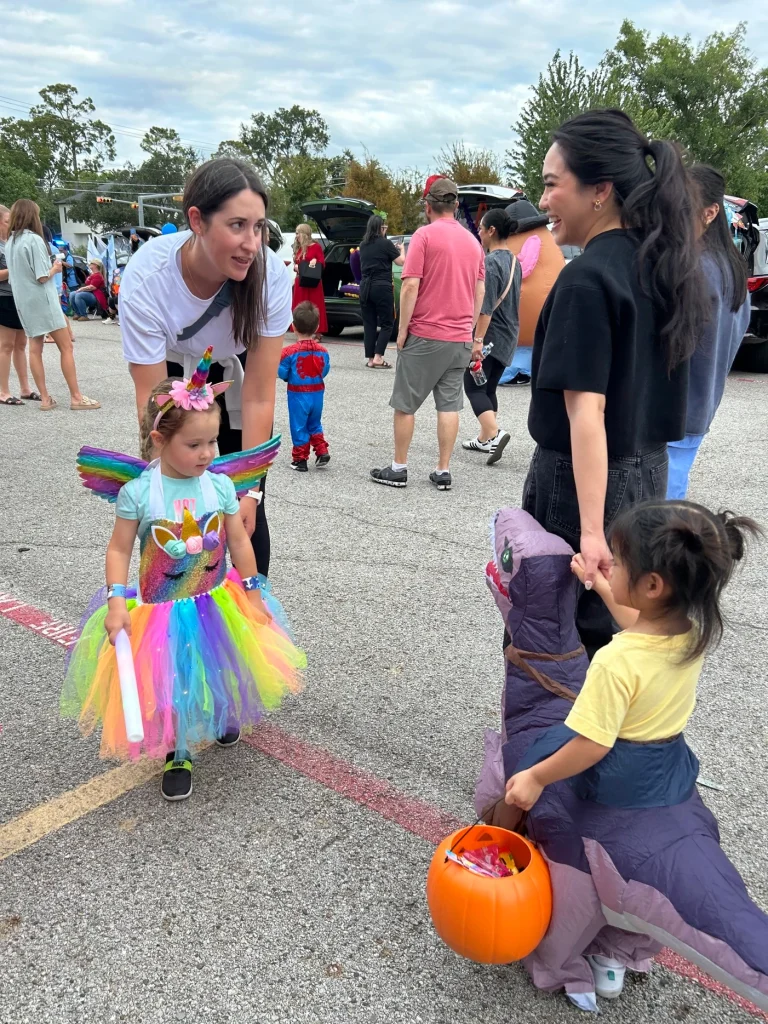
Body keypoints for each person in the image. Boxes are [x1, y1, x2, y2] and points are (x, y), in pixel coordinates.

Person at [62, 351, 305, 801]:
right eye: (195, 445)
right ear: (159, 439)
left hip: (215, 598)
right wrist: (117, 601)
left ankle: (222, 715)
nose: (209, 453)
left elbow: (238, 541)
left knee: (223, 661)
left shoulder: (218, 484)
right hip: (161, 607)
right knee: (173, 679)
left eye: (213, 442)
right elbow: (118, 548)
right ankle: (178, 749)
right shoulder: (139, 492)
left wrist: (253, 591)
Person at [523, 109, 707, 657]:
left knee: (552, 638)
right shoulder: (664, 268)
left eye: (552, 184)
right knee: (619, 641)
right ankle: (611, 742)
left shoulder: (586, 278)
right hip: (648, 476)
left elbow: (586, 416)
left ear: (599, 189)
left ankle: (557, 745)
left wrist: (591, 531)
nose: (543, 200)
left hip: (580, 485)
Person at [120, 156, 292, 580]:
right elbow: (151, 399)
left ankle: (251, 619)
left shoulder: (270, 276)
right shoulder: (147, 277)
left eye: (259, 227)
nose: (252, 243)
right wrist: (161, 479)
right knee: (178, 509)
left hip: (233, 370)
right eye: (237, 226)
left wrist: (250, 489)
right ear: (196, 220)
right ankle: (174, 618)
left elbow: (258, 395)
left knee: (245, 515)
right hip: (174, 374)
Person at [370, 176, 485, 491]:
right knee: (449, 405)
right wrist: (469, 329)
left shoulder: (423, 237)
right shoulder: (473, 243)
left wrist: (403, 331)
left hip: (426, 333)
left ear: (428, 205)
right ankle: (443, 470)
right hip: (460, 337)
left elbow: (409, 285)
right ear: (456, 205)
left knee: (406, 404)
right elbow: (480, 289)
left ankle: (399, 467)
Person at [667, 165, 750, 499]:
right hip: (701, 402)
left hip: (673, 408)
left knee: (655, 513)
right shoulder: (732, 268)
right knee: (672, 493)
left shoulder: (693, 269)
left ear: (709, 212)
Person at [5, 199, 100, 412]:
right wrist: (55, 269)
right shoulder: (34, 240)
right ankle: (76, 396)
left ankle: (46, 398)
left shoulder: (10, 242)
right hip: (43, 300)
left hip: (23, 301)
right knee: (66, 346)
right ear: (32, 217)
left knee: (35, 349)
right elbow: (41, 276)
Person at [461, 208, 522, 465]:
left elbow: (485, 307)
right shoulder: (515, 261)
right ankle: (485, 437)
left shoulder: (491, 263)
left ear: (492, 231)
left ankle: (495, 434)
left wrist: (477, 341)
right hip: (509, 334)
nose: (479, 233)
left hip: (490, 335)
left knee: (472, 384)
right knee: (488, 386)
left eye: (481, 228)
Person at [278, 301, 330, 472]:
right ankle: (322, 451)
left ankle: (300, 459)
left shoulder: (288, 352)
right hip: (317, 394)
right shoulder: (323, 351)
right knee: (315, 423)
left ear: (293, 326)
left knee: (298, 425)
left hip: (298, 394)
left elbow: (282, 372)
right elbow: (325, 370)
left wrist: (289, 377)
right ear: (316, 328)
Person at [0, 204, 38, 405]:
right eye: (7, 221)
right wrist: (15, 269)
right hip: (4, 297)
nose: (10, 225)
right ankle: (3, 391)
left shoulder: (13, 242)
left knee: (21, 345)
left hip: (20, 296)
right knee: (5, 345)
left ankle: (25, 388)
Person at [359, 214, 404, 368]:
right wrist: (402, 250)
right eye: (384, 227)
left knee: (369, 324)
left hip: (365, 286)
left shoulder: (363, 245)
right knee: (387, 322)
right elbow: (401, 261)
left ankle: (370, 359)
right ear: (380, 228)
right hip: (381, 286)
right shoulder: (385, 244)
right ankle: (379, 356)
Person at [291, 223, 327, 334]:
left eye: (298, 233)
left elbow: (322, 263)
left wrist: (315, 261)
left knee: (314, 306)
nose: (296, 236)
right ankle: (301, 330)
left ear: (304, 233)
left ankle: (317, 332)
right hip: (300, 282)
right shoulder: (299, 248)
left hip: (312, 282)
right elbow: (297, 264)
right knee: (300, 307)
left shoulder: (316, 247)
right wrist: (296, 267)